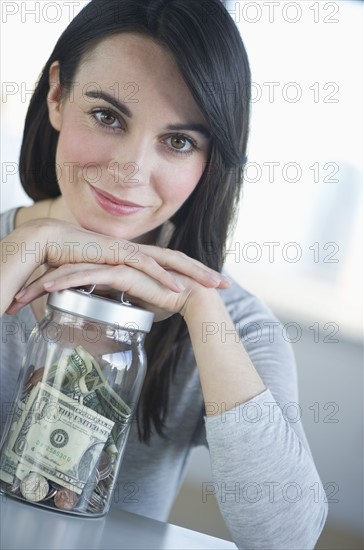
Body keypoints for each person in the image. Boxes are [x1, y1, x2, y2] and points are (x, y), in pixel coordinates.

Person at [0, 0, 327, 547]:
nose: (130, 171)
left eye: (178, 141)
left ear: (210, 159)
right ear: (57, 95)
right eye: (107, 116)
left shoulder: (232, 323)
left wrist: (199, 308)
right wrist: (22, 248)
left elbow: (288, 536)